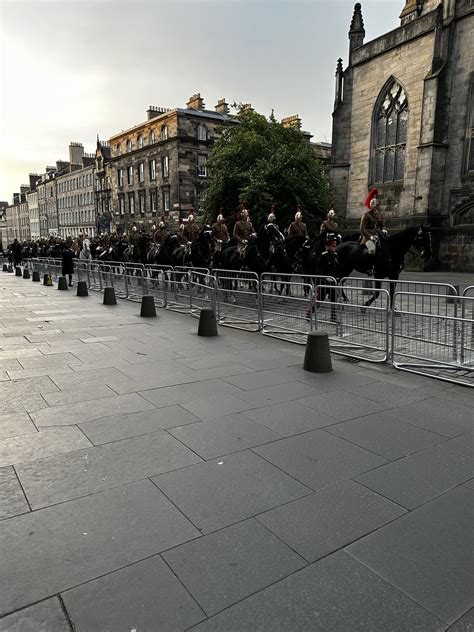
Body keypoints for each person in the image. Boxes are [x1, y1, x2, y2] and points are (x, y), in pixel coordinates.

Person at [360, 188, 386, 255]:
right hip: (368, 238)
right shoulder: (366, 215)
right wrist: (370, 236)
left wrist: (383, 229)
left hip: (378, 236)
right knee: (372, 251)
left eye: (376, 206)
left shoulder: (380, 215)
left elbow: (382, 225)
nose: (375, 208)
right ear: (371, 206)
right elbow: (362, 229)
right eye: (374, 206)